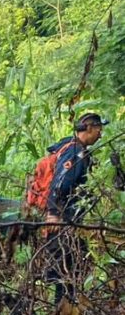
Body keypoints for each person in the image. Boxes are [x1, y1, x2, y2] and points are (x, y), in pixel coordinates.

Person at [44, 112, 107, 305]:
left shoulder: (77, 149)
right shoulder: (74, 152)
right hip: (63, 219)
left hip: (70, 220)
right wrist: (53, 214)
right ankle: (63, 314)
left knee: (72, 266)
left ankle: (67, 313)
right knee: (67, 269)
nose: (101, 134)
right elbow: (60, 183)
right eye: (98, 129)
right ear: (88, 128)